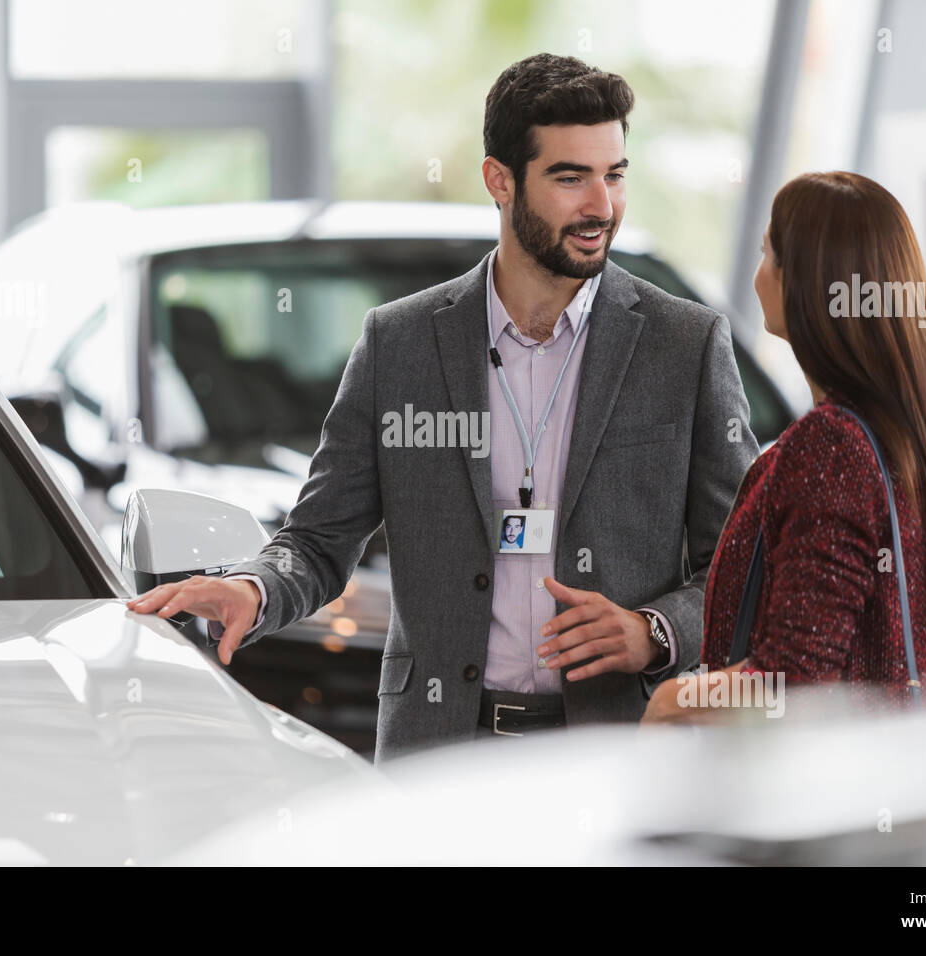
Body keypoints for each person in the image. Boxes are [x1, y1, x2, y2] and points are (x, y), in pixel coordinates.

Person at [130, 53, 757, 761]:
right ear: (500, 180)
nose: (601, 206)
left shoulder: (685, 344)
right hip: (439, 756)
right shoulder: (400, 344)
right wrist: (254, 587)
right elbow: (317, 539)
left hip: (615, 761)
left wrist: (655, 631)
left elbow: (742, 567)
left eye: (614, 175)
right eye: (569, 176)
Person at [643, 171, 926, 724]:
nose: (757, 276)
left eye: (768, 254)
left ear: (808, 284)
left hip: (825, 798)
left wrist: (674, 699)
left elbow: (794, 680)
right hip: (908, 782)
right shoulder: (915, 429)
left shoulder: (832, 446)